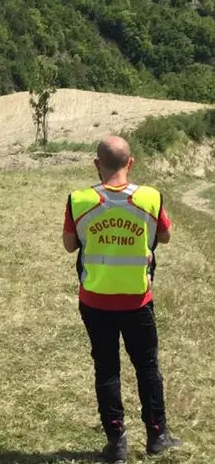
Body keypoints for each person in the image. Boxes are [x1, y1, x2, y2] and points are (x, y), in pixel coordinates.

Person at [62, 135, 182, 462]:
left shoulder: (79, 200)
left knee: (106, 369)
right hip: (137, 301)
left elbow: (70, 244)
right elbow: (166, 236)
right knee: (147, 367)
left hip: (95, 301)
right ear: (131, 163)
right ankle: (157, 435)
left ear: (97, 165)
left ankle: (116, 443)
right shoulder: (150, 198)